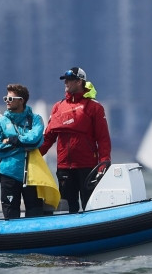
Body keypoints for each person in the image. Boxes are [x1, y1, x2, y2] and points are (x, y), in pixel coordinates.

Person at [38, 67, 112, 213]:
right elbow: (48, 138)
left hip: (88, 166)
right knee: (67, 208)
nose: (66, 82)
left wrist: (104, 163)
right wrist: (32, 157)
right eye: (65, 80)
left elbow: (103, 139)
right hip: (64, 167)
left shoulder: (94, 107)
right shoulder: (58, 107)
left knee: (90, 206)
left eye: (70, 80)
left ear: (79, 82)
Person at [0, 83, 46, 219]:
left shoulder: (36, 119)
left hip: (33, 174)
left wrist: (11, 140)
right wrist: (22, 144)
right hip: (9, 173)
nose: (7, 102)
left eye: (10, 99)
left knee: (35, 213)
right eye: (6, 99)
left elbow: (35, 139)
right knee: (10, 214)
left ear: (21, 100)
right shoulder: (1, 122)